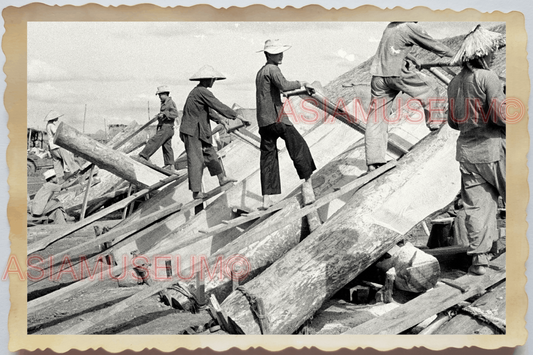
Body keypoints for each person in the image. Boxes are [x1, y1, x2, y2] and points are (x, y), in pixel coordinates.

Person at [447, 25, 506, 275]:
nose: (493, 56)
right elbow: (500, 116)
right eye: (491, 52)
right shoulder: (487, 77)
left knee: (477, 207)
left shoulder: (453, 83)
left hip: (468, 155)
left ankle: (480, 260)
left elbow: (452, 122)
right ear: (482, 54)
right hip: (494, 149)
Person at [365, 22, 456, 171]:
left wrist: (413, 59)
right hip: (396, 73)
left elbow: (393, 48)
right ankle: (436, 124)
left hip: (378, 76)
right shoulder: (409, 27)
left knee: (377, 117)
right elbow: (434, 46)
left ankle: (373, 162)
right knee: (430, 88)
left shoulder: (391, 27)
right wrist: (460, 57)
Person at [256, 39, 316, 209]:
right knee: (299, 147)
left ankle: (266, 199)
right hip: (277, 119)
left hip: (264, 122)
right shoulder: (273, 69)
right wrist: (302, 83)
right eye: (277, 53)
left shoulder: (261, 72)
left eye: (280, 52)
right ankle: (307, 185)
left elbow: (275, 91)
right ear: (268, 55)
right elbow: (284, 85)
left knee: (268, 158)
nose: (280, 56)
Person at [180, 65, 245, 199]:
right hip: (192, 131)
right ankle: (197, 192)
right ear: (207, 80)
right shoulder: (201, 91)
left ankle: (222, 178)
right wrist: (235, 116)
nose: (213, 82)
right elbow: (217, 104)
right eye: (212, 79)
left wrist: (220, 120)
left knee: (210, 153)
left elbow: (209, 110)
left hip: (200, 130)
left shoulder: (200, 92)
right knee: (196, 159)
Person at [138, 86, 179, 171]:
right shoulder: (164, 103)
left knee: (154, 141)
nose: (159, 97)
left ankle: (143, 155)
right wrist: (160, 115)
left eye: (160, 95)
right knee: (167, 147)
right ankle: (170, 165)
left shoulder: (170, 102)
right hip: (166, 127)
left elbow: (175, 114)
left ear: (166, 94)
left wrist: (164, 114)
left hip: (167, 128)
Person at [45, 110, 81, 183]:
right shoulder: (51, 125)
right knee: (68, 159)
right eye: (56, 117)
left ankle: (60, 179)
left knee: (57, 163)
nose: (57, 119)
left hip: (52, 147)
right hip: (56, 146)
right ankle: (77, 172)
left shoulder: (48, 125)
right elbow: (57, 133)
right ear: (54, 118)